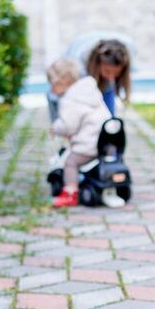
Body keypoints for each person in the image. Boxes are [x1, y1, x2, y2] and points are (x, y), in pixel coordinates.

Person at [47, 57, 111, 207]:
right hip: (105, 142)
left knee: (70, 162)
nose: (51, 89)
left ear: (62, 81)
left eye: (52, 84)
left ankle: (70, 194)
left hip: (89, 144)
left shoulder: (69, 99)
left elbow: (68, 126)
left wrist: (55, 128)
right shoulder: (89, 90)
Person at [47, 36, 132, 120]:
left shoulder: (109, 79)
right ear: (98, 64)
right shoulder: (77, 69)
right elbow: (56, 96)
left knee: (108, 118)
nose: (111, 77)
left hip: (99, 83)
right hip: (76, 78)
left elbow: (108, 108)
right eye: (107, 71)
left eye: (116, 73)